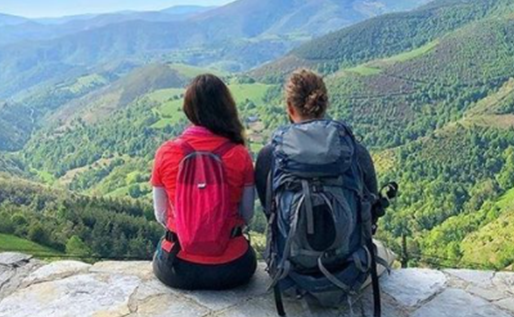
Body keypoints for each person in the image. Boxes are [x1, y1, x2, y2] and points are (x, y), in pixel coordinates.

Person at [255, 68, 394, 295]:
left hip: (289, 273)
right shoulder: (353, 151)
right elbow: (370, 212)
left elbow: (269, 212)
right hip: (349, 270)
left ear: (290, 108)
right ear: (324, 103)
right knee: (386, 252)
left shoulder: (269, 155)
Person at [151, 74, 257, 290]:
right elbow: (247, 215)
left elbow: (160, 215)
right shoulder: (239, 154)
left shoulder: (167, 152)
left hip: (178, 267)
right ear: (226, 107)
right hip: (233, 267)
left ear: (189, 109)